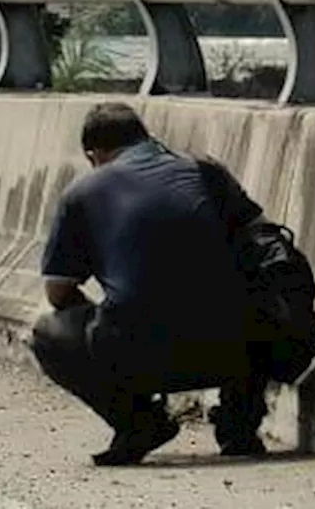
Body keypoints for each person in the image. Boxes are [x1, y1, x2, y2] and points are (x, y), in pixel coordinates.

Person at [29, 101, 271, 466]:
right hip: (233, 347)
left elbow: (58, 292)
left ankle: (139, 422)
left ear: (94, 155)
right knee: (249, 291)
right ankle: (239, 428)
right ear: (146, 137)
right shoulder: (204, 171)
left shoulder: (82, 193)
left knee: (49, 331)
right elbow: (263, 242)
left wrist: (109, 306)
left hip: (140, 354)